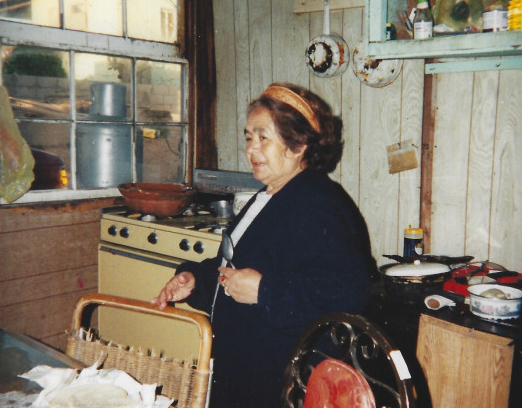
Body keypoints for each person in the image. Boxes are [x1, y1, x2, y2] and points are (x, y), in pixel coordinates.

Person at [151, 83, 375, 407]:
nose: (251, 150)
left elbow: (351, 290)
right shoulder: (269, 195)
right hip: (244, 371)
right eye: (248, 137)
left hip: (282, 383)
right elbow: (238, 268)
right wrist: (195, 280)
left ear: (298, 146)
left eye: (263, 137)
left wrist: (265, 292)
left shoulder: (318, 202)